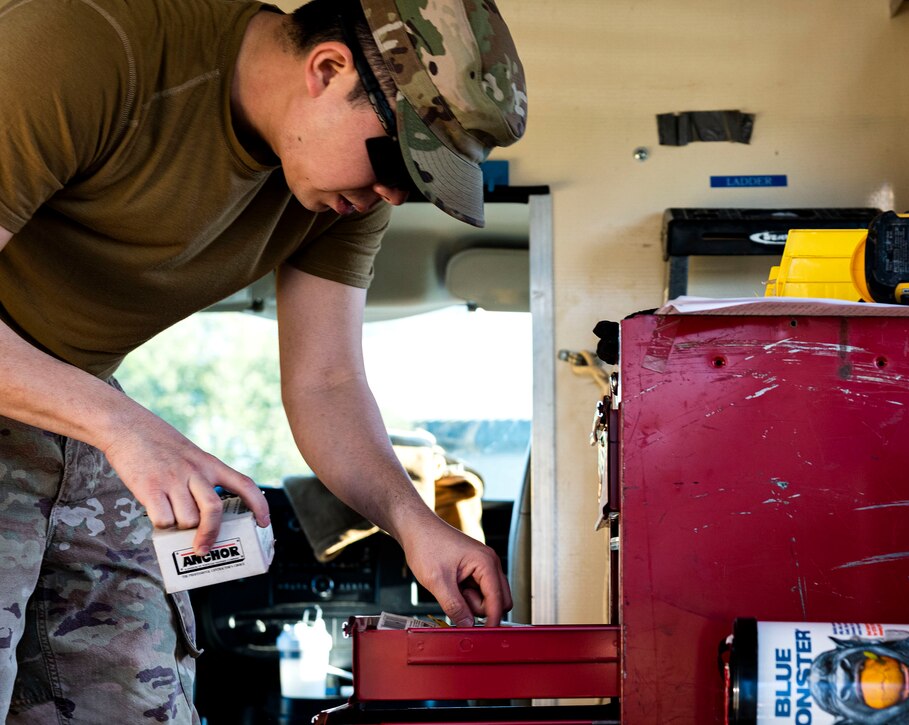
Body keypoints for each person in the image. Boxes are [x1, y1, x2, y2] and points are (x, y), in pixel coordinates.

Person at [0, 0, 527, 719]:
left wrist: (412, 522)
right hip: (62, 398)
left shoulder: (343, 197)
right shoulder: (85, 43)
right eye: (397, 158)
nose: (393, 193)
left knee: (134, 691)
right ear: (329, 69)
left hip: (69, 408)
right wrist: (127, 428)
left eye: (418, 182)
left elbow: (325, 381)